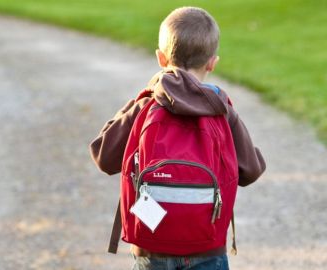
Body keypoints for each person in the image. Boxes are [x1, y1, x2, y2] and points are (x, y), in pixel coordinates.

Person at [90, 6, 266, 270]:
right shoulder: (222, 110)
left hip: (152, 243)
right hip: (207, 245)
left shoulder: (147, 105)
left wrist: (138, 101)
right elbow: (251, 171)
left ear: (161, 58)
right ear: (212, 62)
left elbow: (104, 156)